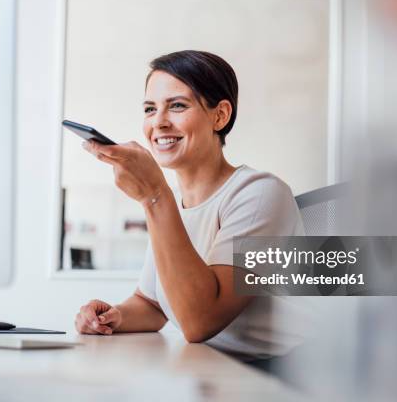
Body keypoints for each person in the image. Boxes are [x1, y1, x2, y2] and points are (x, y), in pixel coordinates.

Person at [75, 50, 311, 361]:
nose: (158, 122)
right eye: (149, 109)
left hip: (273, 375)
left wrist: (154, 198)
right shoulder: (174, 202)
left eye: (177, 106)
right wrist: (113, 316)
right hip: (212, 368)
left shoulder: (261, 193)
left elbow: (200, 321)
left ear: (220, 116)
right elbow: (152, 304)